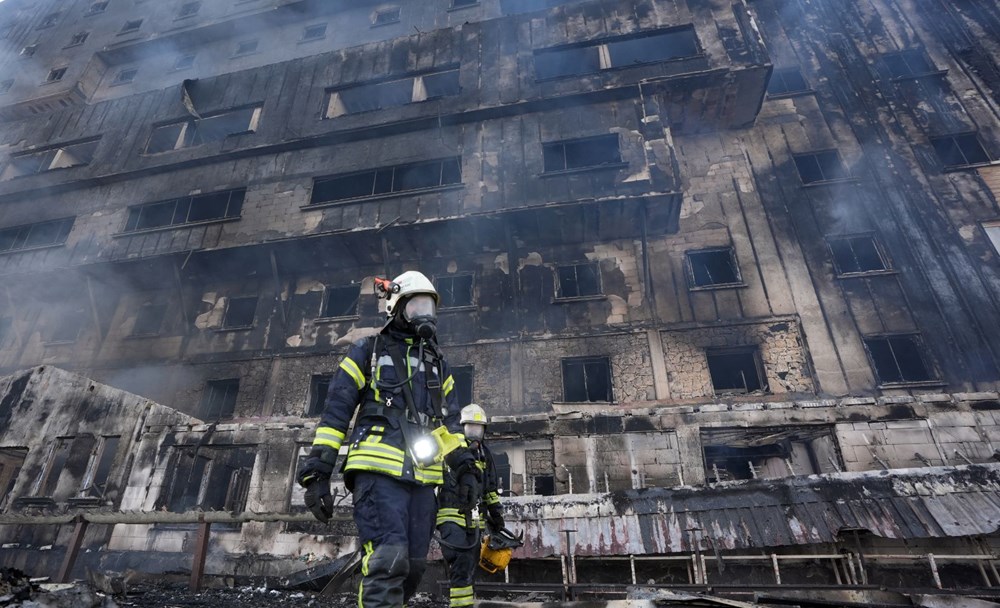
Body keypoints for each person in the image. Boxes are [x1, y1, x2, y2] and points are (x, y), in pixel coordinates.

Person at [296, 271, 480, 608]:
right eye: (417, 306)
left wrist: (466, 469)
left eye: (429, 307)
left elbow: (451, 425)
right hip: (377, 474)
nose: (425, 314)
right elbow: (336, 411)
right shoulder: (368, 350)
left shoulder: (438, 365)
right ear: (396, 307)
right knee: (388, 559)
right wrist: (318, 470)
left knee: (413, 568)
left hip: (423, 479)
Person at [436, 403, 503, 608]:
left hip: (475, 520)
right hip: (451, 514)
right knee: (460, 557)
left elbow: (490, 488)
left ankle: (462, 603)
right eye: (470, 429)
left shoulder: (485, 455)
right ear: (461, 428)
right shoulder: (451, 449)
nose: (474, 435)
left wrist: (497, 515)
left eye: (478, 430)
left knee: (470, 565)